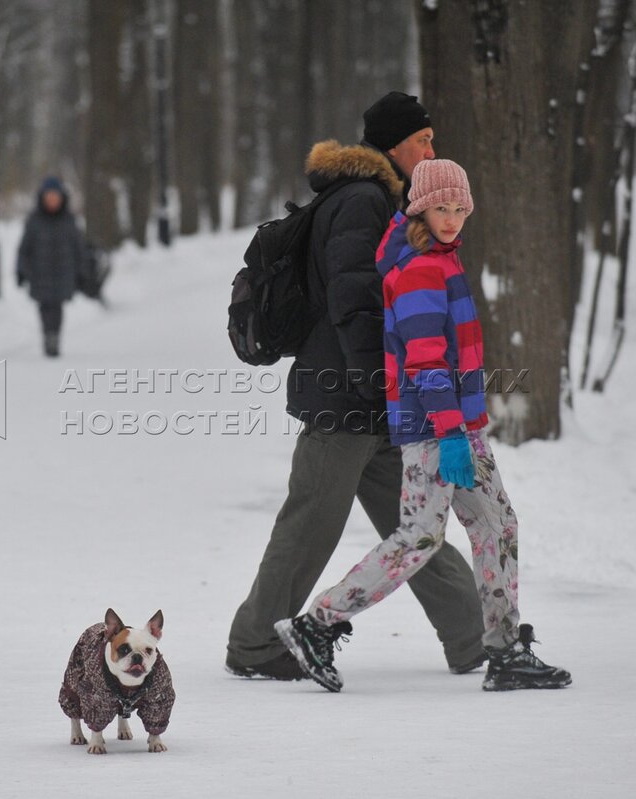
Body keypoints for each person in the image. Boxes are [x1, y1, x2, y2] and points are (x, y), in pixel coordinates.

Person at [274, 159, 572, 693]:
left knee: (498, 526)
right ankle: (317, 623)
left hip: (460, 427)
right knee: (420, 537)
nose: (452, 218)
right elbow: (426, 362)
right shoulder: (419, 271)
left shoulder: (441, 260)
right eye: (441, 208)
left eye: (460, 208)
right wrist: (451, 432)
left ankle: (505, 650)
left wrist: (463, 429)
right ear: (420, 210)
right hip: (436, 429)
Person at [225, 93, 486, 681]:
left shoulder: (380, 198)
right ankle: (255, 645)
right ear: (394, 145)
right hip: (347, 397)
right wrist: (377, 386)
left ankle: (476, 636)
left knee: (418, 525)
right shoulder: (363, 201)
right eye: (422, 140)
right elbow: (356, 302)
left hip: (376, 401)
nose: (431, 150)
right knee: (311, 526)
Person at [16, 176, 89, 357]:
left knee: (57, 307)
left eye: (55, 197)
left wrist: (81, 272)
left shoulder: (69, 221)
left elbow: (78, 248)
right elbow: (24, 249)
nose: (52, 201)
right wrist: (21, 270)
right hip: (40, 273)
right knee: (45, 307)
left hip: (63, 272)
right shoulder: (34, 221)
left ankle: (54, 336)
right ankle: (48, 335)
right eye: (49, 197)